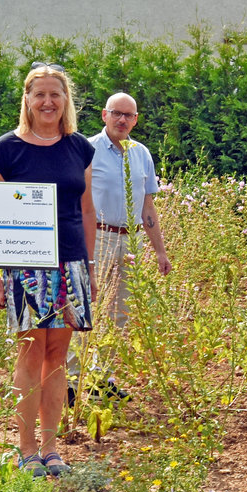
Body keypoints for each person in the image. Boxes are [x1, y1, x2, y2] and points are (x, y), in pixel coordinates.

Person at [0, 63, 96, 477]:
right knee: (31, 354)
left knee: (58, 356)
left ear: (65, 100)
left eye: (56, 94)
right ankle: (26, 450)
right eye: (40, 95)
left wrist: (88, 267)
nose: (48, 102)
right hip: (25, 266)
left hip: (70, 264)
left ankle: (52, 451)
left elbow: (86, 210)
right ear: (27, 101)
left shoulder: (79, 147)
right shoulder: (9, 149)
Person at [89, 91, 171, 326]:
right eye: (116, 114)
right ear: (105, 115)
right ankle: (75, 364)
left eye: (128, 115)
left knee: (121, 312)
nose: (122, 120)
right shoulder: (87, 150)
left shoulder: (141, 153)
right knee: (89, 305)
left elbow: (147, 207)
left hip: (131, 242)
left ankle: (108, 364)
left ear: (135, 120)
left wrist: (160, 251)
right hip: (98, 239)